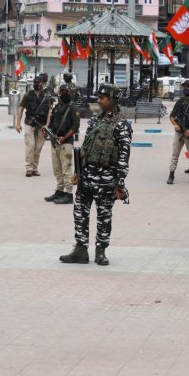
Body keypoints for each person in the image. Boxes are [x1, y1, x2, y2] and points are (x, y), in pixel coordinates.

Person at [60, 83, 131, 266]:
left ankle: (101, 251)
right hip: (87, 176)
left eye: (102, 97)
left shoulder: (122, 124)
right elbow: (85, 148)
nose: (98, 100)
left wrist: (120, 184)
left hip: (107, 178)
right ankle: (80, 250)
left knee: (104, 216)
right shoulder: (94, 121)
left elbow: (124, 156)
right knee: (80, 214)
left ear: (113, 99)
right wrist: (78, 172)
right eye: (98, 97)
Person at [45, 83, 81, 205]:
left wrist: (64, 137)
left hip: (66, 143)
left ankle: (69, 194)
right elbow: (52, 122)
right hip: (55, 142)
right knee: (57, 169)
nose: (63, 94)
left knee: (66, 169)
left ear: (70, 93)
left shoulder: (73, 108)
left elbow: (75, 126)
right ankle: (60, 191)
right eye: (61, 92)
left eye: (66, 91)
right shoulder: (57, 107)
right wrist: (47, 131)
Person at [16, 73, 52, 177]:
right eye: (36, 83)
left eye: (40, 83)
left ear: (42, 84)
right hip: (29, 123)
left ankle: (35, 167)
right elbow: (21, 108)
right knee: (30, 146)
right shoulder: (28, 95)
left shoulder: (46, 96)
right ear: (33, 84)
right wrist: (18, 124)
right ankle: (29, 168)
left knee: (38, 148)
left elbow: (50, 111)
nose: (38, 85)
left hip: (41, 125)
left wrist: (47, 125)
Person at [168, 79, 189, 185]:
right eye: (184, 87)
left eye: (188, 87)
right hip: (179, 132)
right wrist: (175, 125)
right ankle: (171, 174)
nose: (186, 89)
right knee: (175, 154)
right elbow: (172, 116)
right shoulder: (179, 102)